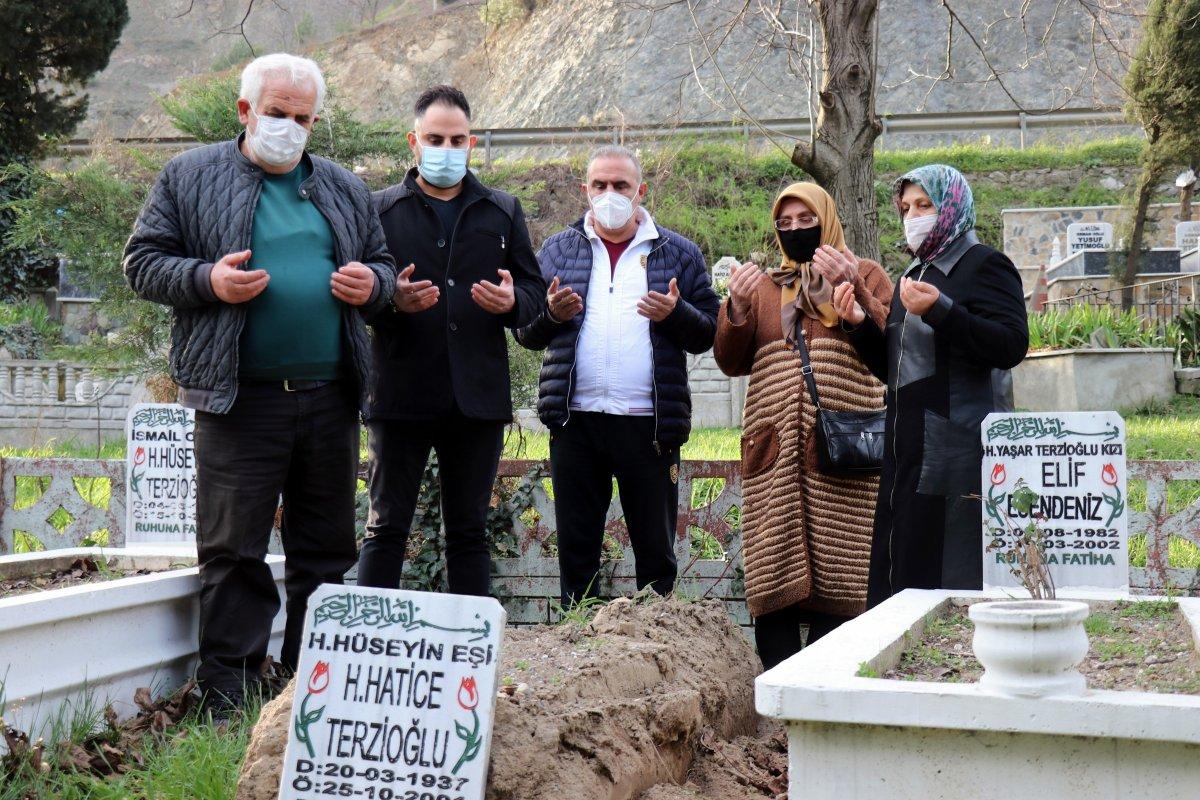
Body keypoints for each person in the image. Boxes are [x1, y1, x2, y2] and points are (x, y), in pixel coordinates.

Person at [123, 54, 396, 716]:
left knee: (326, 552)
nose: (289, 127)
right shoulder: (190, 176)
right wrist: (207, 281)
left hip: (329, 398)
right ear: (245, 112)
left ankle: (314, 696)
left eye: (303, 118)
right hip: (237, 399)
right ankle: (227, 700)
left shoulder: (341, 186)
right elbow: (142, 263)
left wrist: (375, 286)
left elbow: (383, 264)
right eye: (277, 114)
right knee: (235, 551)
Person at [356, 86, 544, 596]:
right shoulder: (378, 210)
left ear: (472, 142)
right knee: (385, 527)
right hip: (400, 393)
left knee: (469, 532)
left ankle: (468, 656)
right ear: (413, 142)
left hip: (477, 397)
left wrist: (513, 304)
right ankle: (371, 645)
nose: (446, 147)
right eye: (435, 138)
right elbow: (357, 293)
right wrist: (391, 298)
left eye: (456, 138)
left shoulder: (502, 211)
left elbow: (533, 291)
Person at [516, 145, 719, 607]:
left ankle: (658, 645)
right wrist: (549, 314)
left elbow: (707, 332)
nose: (610, 194)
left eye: (621, 186)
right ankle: (577, 644)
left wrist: (675, 313)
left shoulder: (679, 254)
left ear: (641, 191)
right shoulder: (557, 249)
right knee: (576, 548)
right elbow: (525, 332)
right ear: (584, 190)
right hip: (575, 422)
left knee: (655, 550)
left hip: (649, 425)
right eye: (601, 185)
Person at [713, 182, 893, 670]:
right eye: (785, 224)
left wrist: (854, 285)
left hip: (842, 457)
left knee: (842, 578)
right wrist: (737, 309)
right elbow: (731, 361)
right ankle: (779, 710)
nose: (795, 231)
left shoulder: (867, 274)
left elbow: (892, 350)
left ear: (827, 220)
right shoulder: (768, 286)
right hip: (774, 460)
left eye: (805, 220)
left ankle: (827, 696)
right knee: (774, 578)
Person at [835, 164, 1029, 607]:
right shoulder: (916, 273)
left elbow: (1012, 344)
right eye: (906, 207)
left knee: (947, 577)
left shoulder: (985, 264)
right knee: (901, 571)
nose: (913, 215)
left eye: (925, 204)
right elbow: (898, 368)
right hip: (908, 449)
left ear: (952, 206)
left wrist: (943, 310)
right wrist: (858, 325)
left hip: (958, 450)